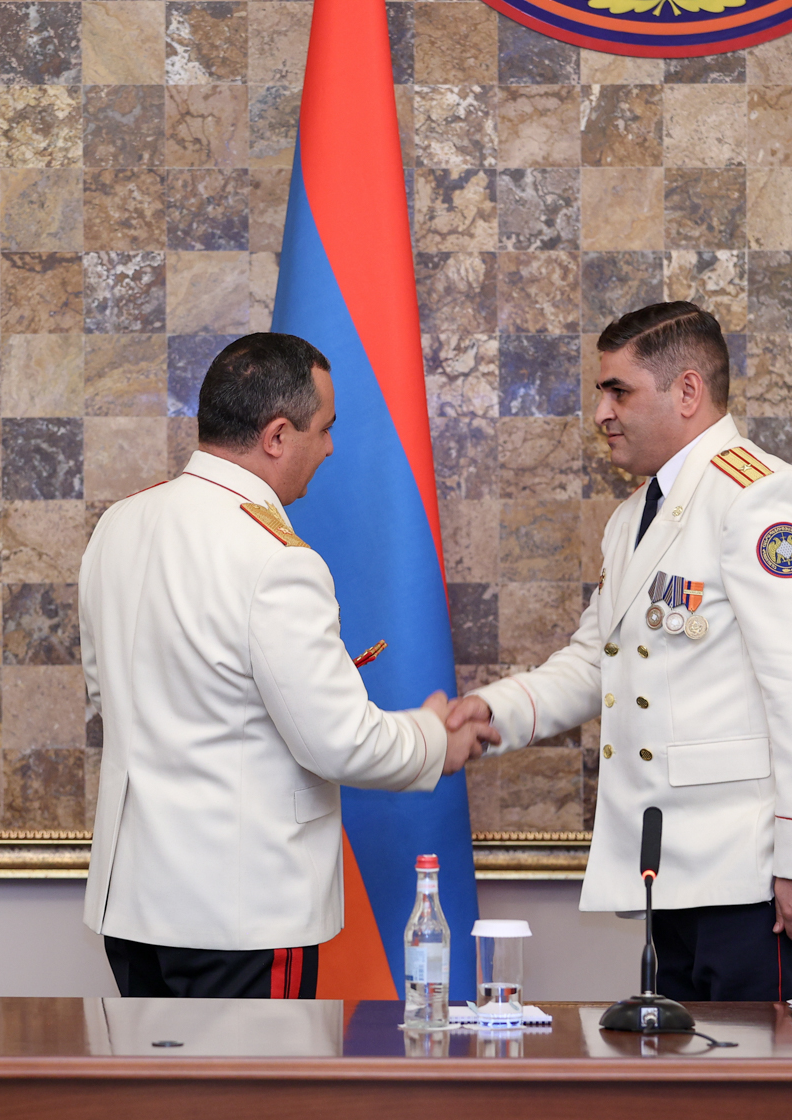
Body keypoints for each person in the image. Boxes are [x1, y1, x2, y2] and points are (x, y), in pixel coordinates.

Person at [443, 302, 792, 1002]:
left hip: (757, 872)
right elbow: (595, 659)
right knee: (687, 1070)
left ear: (687, 391)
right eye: (601, 392)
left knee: (761, 1070)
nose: (601, 413)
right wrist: (494, 711)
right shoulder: (635, 516)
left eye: (619, 391)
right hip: (671, 867)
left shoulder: (759, 499)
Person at [79, 332, 499, 1000]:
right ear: (277, 436)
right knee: (258, 1076)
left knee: (154, 1074)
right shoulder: (275, 557)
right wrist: (433, 741)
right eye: (323, 429)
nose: (329, 448)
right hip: (241, 911)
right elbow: (338, 740)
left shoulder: (119, 524)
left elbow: (107, 695)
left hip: (132, 906)